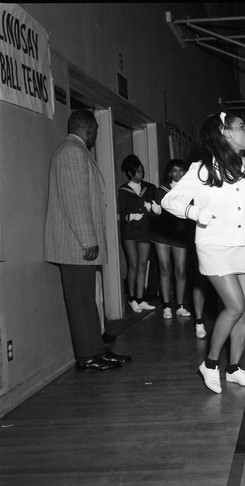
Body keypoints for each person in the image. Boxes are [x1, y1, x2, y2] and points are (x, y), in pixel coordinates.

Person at [161, 111, 245, 393]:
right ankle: (210, 363)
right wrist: (194, 212)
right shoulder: (202, 169)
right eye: (242, 127)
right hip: (214, 245)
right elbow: (169, 199)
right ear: (225, 133)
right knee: (235, 306)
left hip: (243, 244)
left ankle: (234, 368)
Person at [44, 109, 131, 371]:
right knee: (81, 302)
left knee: (87, 301)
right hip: (75, 245)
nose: (96, 134)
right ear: (89, 128)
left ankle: (95, 350)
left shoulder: (76, 150)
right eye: (96, 129)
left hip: (77, 245)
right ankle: (87, 356)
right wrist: (86, 240)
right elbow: (75, 200)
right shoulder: (72, 151)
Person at [150, 159, 194, 320]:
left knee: (181, 270)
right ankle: (167, 306)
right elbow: (154, 215)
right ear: (169, 173)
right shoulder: (161, 190)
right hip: (162, 234)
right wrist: (154, 212)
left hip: (180, 235)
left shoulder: (190, 190)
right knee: (164, 268)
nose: (178, 173)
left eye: (181, 170)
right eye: (174, 170)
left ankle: (180, 306)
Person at [118, 154, 156, 313]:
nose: (141, 174)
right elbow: (121, 213)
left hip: (144, 230)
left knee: (142, 265)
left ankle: (140, 299)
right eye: (138, 172)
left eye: (142, 171)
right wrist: (130, 216)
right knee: (133, 264)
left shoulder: (150, 188)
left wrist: (152, 209)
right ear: (130, 173)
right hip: (129, 231)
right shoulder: (124, 190)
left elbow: (156, 212)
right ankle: (132, 299)